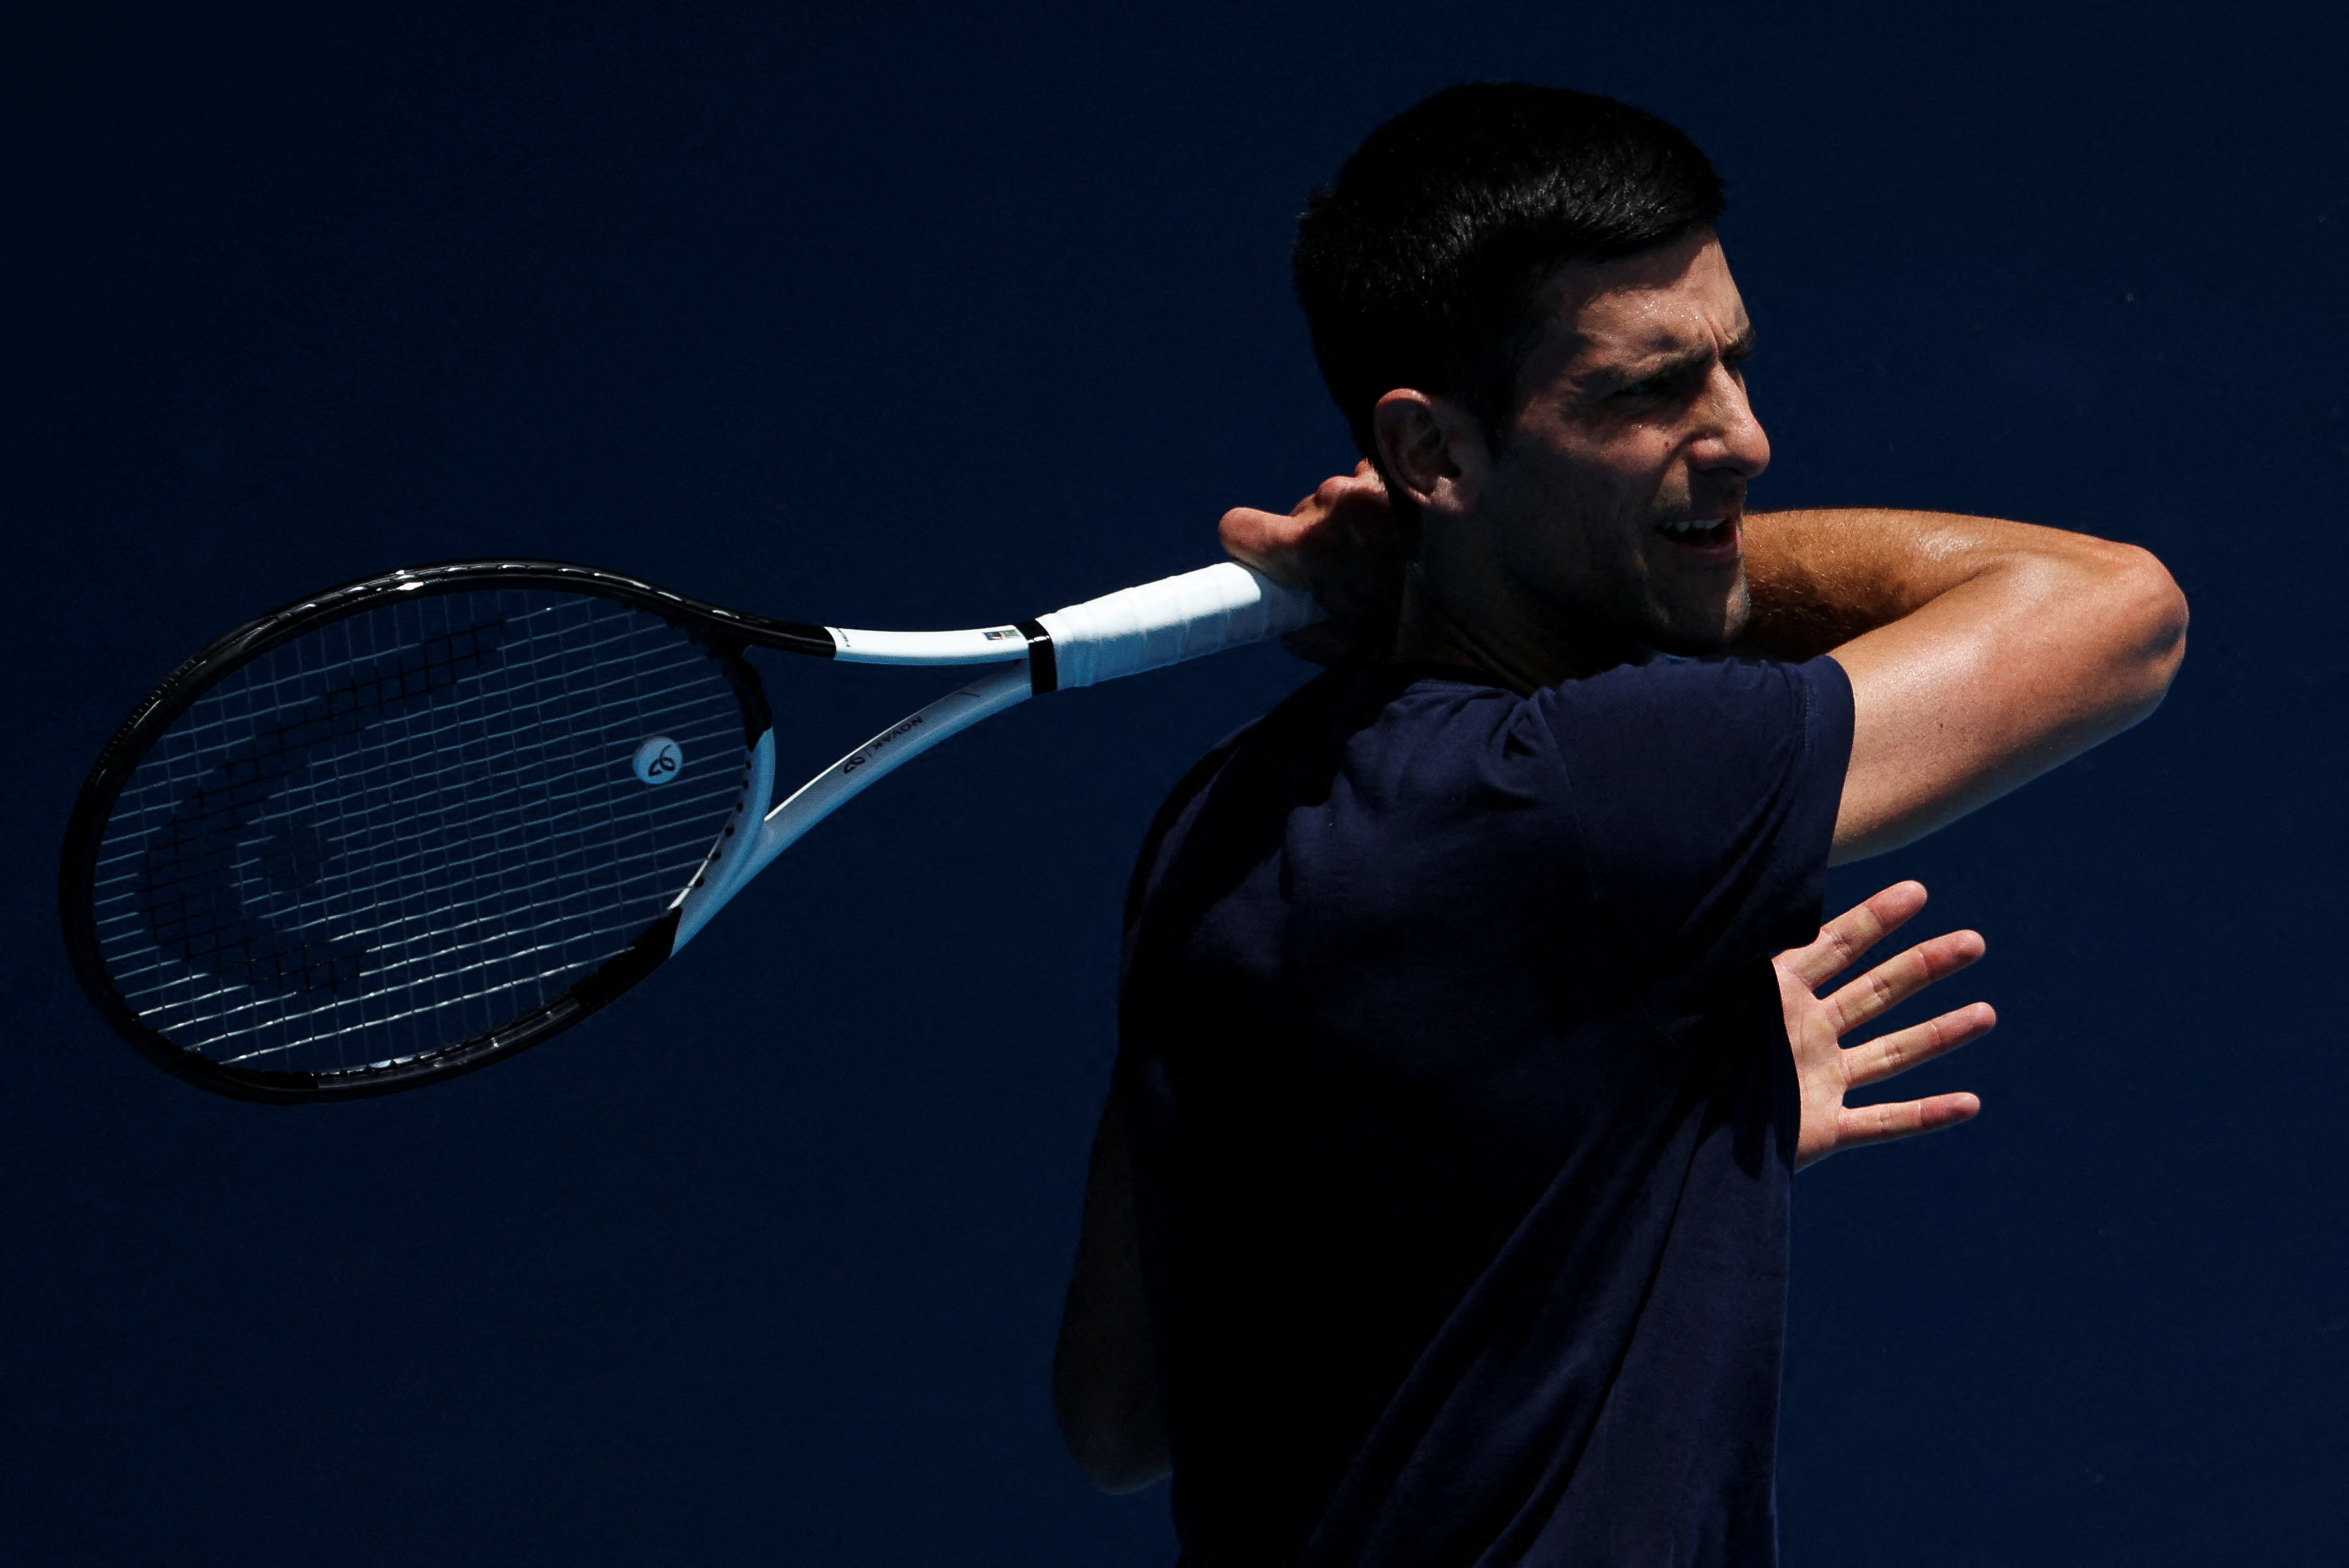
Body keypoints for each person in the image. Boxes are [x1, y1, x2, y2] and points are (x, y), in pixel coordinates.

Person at [1052, 84, 2186, 1565]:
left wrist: (1602, 1141)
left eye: (1734, 367)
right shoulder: (1592, 789)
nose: (1744, 438)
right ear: (1434, 456)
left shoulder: (1222, 826)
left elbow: (1122, 1413)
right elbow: (2122, 615)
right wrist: (1414, 574)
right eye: (1648, 395)